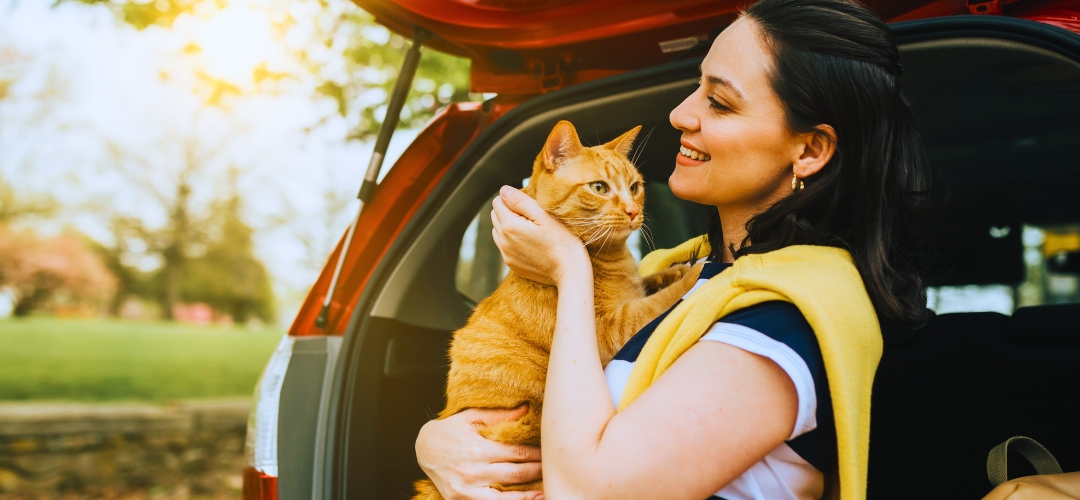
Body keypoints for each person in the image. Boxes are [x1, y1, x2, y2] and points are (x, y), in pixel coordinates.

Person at [415, 0, 930, 497]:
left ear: (809, 150)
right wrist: (437, 444)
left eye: (719, 101)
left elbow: (588, 492)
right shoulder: (685, 271)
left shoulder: (789, 313)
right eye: (695, 87)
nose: (681, 113)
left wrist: (570, 268)